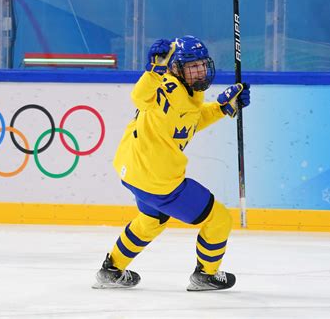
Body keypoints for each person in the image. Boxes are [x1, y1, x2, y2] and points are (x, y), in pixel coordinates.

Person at [92, 35, 250, 291]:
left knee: (151, 221)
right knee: (219, 219)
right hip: (159, 180)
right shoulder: (165, 86)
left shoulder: (189, 93)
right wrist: (153, 73)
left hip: (133, 171)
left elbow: (189, 122)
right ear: (176, 68)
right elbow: (140, 97)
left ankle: (111, 269)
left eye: (201, 64)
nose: (200, 70)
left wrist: (222, 107)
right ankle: (206, 275)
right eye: (192, 66)